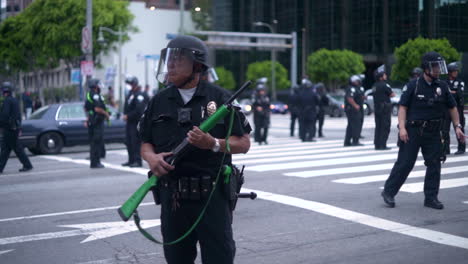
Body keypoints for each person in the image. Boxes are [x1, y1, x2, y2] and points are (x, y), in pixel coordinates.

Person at [139, 35, 251, 264]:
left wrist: (214, 144)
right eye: (169, 59)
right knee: (176, 259)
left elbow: (244, 143)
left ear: (197, 66)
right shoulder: (158, 101)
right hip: (173, 198)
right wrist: (151, 158)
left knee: (219, 258)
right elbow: (145, 142)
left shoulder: (220, 99)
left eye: (178, 59)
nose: (170, 64)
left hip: (212, 197)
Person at [381, 52, 465, 210]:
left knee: (435, 163)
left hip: (433, 132)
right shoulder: (414, 85)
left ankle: (431, 198)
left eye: (440, 67)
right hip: (413, 131)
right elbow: (403, 107)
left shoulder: (442, 86)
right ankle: (388, 192)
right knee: (405, 163)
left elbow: (452, 107)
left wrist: (457, 126)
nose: (438, 70)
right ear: (426, 68)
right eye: (435, 67)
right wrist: (402, 128)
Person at [0, 82, 33, 173]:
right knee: (6, 149)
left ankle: (27, 165)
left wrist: (1, 124)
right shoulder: (14, 100)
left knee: (14, 149)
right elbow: (18, 116)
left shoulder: (7, 101)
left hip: (9, 129)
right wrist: (19, 128)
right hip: (14, 128)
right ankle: (27, 165)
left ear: (4, 91)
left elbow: (4, 115)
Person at [122, 76, 147, 167]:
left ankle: (137, 161)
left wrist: (128, 116)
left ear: (135, 84)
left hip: (136, 122)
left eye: (130, 84)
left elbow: (139, 110)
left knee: (135, 142)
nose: (129, 86)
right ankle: (131, 160)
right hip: (129, 122)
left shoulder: (139, 94)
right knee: (128, 141)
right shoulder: (130, 94)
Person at [84, 79, 109, 169]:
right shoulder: (95, 96)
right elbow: (97, 108)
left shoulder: (88, 95)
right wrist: (106, 114)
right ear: (95, 86)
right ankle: (96, 162)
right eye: (98, 85)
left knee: (93, 143)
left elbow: (86, 108)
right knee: (97, 142)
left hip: (92, 121)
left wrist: (88, 119)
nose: (99, 87)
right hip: (97, 122)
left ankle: (94, 162)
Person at [442, 62, 465, 155]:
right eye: (454, 71)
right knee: (444, 130)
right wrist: (452, 92)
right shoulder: (444, 82)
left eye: (456, 71)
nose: (456, 73)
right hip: (446, 109)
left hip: (458, 108)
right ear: (449, 72)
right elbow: (443, 94)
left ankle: (461, 148)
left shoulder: (460, 82)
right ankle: (446, 149)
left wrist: (450, 92)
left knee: (459, 128)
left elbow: (459, 93)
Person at [372, 66, 395, 150]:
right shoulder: (385, 85)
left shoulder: (374, 85)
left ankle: (377, 144)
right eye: (384, 75)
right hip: (385, 108)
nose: (386, 76)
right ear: (381, 77)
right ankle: (382, 145)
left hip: (377, 107)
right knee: (385, 126)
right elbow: (392, 94)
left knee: (378, 126)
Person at [344, 75, 365, 146]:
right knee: (356, 125)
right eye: (356, 81)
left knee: (351, 126)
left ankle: (347, 142)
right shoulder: (351, 88)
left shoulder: (357, 88)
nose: (358, 82)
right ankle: (355, 141)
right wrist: (355, 105)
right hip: (353, 109)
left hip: (356, 109)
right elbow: (349, 98)